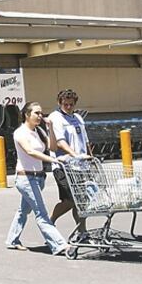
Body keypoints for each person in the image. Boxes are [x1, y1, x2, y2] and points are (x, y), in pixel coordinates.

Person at [5, 102, 68, 255]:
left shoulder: (38, 131)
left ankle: (12, 240)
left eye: (41, 113)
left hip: (39, 178)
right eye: (36, 113)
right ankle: (59, 245)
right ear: (27, 115)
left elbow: (52, 147)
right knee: (41, 213)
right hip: (26, 178)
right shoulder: (20, 133)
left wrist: (51, 127)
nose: (40, 116)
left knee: (23, 211)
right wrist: (52, 160)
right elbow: (30, 151)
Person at [46, 89, 91, 233]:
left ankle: (82, 231)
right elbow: (60, 142)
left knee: (82, 201)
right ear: (59, 103)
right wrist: (74, 154)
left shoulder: (78, 118)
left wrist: (91, 157)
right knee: (70, 200)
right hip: (63, 166)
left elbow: (85, 140)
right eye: (65, 104)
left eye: (71, 104)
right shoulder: (56, 118)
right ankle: (50, 221)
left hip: (81, 166)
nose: (69, 107)